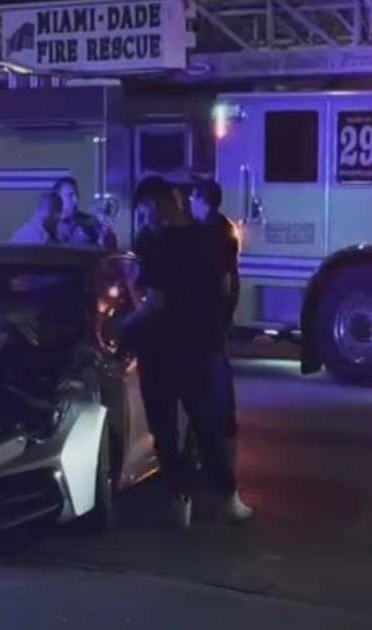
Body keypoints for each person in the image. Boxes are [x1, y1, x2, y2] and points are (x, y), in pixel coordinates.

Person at [116, 177, 253, 528]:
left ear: (161, 204)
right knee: (205, 426)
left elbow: (152, 301)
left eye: (145, 211)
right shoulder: (210, 236)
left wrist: (124, 327)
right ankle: (227, 498)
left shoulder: (153, 243)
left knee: (165, 430)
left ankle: (180, 499)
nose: (143, 219)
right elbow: (226, 286)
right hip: (200, 346)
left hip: (161, 349)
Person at [51, 177, 118, 250]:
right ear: (58, 199)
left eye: (77, 194)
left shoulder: (91, 223)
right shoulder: (48, 226)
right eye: (70, 195)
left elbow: (109, 251)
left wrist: (107, 233)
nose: (76, 200)